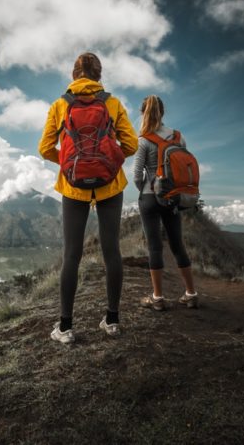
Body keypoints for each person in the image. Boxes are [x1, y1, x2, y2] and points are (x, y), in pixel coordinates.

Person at [39, 52, 138, 343]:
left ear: (74, 75)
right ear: (98, 75)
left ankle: (66, 327)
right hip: (110, 185)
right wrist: (108, 160)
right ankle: (112, 321)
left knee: (72, 254)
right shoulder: (112, 103)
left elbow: (44, 148)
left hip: (73, 187)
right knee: (112, 251)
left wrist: (70, 164)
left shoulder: (60, 104)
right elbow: (131, 143)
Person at [132, 95, 198, 311]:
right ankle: (191, 293)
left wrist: (145, 190)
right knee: (178, 244)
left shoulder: (143, 139)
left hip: (151, 197)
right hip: (173, 197)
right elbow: (185, 168)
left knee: (154, 247)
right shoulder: (179, 137)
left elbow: (136, 175)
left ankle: (158, 298)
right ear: (163, 112)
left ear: (143, 113)